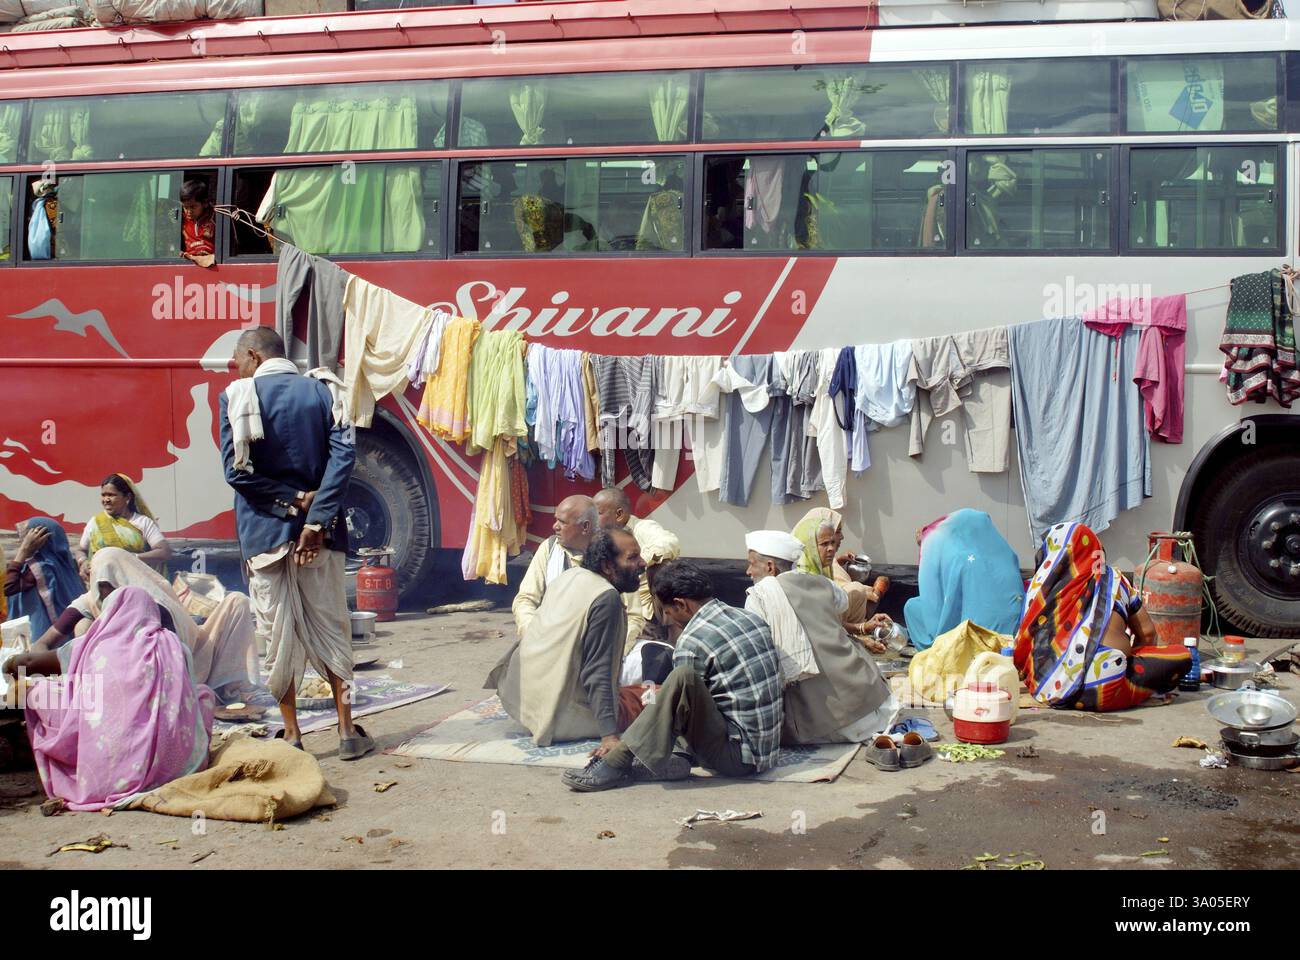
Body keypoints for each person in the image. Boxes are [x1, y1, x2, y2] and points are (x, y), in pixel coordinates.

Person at [218, 327, 368, 758]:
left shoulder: (235, 397)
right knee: (332, 628)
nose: (237, 369)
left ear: (253, 354)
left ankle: (294, 735)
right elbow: (344, 457)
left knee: (276, 633)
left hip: (264, 534)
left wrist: (290, 502)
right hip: (319, 538)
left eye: (238, 361)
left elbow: (236, 473)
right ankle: (345, 732)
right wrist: (316, 517)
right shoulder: (323, 393)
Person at [562, 560, 784, 792]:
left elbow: (681, 709)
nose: (668, 619)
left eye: (667, 612)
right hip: (767, 748)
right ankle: (674, 756)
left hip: (738, 759)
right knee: (666, 697)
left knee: (680, 680)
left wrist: (636, 731)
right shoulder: (749, 618)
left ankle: (617, 763)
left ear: (681, 604)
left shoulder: (692, 640)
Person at [8, 586, 215, 812]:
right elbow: (186, 695)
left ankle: (96, 760)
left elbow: (28, 664)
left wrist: (9, 665)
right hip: (178, 767)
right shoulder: (174, 645)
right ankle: (171, 757)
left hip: (109, 771)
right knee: (203, 693)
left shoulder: (93, 644)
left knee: (37, 690)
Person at [17, 547, 256, 704]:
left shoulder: (148, 602)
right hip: (123, 678)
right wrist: (39, 668)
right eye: (101, 585)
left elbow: (170, 655)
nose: (106, 593)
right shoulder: (90, 601)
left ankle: (222, 686)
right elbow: (45, 642)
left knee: (237, 601)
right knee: (84, 627)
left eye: (109, 585)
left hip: (180, 668)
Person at [488, 528, 645, 748]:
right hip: (556, 718)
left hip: (521, 704)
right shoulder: (605, 598)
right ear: (608, 566)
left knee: (630, 691)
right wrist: (609, 736)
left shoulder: (569, 576)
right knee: (655, 695)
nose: (643, 563)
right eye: (633, 558)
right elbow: (598, 671)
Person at [1014, 522, 1192, 713]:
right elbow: (1147, 633)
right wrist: (1137, 660)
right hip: (1107, 681)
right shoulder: (1114, 579)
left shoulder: (1037, 589)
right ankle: (1130, 681)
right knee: (1182, 656)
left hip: (1050, 688)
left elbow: (1022, 643)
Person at [742, 530, 899, 745]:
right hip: (873, 705)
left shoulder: (759, 596)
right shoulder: (823, 583)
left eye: (752, 564)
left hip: (825, 724)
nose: (748, 571)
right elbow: (842, 603)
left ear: (770, 567)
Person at [902, 509, 1026, 652]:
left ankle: (933, 653)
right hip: (1016, 635)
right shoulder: (1007, 554)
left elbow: (936, 599)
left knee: (912, 607)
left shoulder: (959, 559)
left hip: (976, 643)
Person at [593, 486, 681, 654]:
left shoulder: (643, 528)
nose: (593, 519)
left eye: (597, 513)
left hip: (645, 618)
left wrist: (635, 562)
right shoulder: (597, 538)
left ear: (619, 514)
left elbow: (670, 542)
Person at [791, 507, 891, 646]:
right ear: (812, 541)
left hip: (831, 637)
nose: (841, 538)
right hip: (815, 648)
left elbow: (830, 622)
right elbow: (824, 627)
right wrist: (860, 639)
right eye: (825, 543)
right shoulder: (799, 577)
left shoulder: (823, 568)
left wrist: (862, 629)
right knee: (856, 590)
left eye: (833, 540)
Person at [511, 494, 598, 637]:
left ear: (585, 526)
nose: (554, 526)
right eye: (556, 520)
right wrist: (532, 632)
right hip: (547, 638)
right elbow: (525, 599)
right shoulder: (549, 548)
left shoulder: (610, 553)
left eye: (562, 522)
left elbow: (632, 615)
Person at [75, 473, 172, 576]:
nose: (106, 500)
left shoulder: (143, 522)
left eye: (111, 495)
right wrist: (83, 561)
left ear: (127, 497)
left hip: (136, 583)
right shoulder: (96, 522)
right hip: (102, 585)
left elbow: (164, 551)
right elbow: (81, 550)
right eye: (103, 495)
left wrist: (132, 558)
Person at [4, 517, 84, 639]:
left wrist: (22, 552)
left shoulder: (42, 568)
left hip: (42, 636)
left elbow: (9, 587)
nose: (23, 541)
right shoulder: (64, 564)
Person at [180, 178, 216, 266]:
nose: (188, 211)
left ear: (205, 203)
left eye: (193, 207)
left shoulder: (215, 218)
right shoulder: (180, 220)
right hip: (190, 264)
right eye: (185, 207)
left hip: (213, 264)